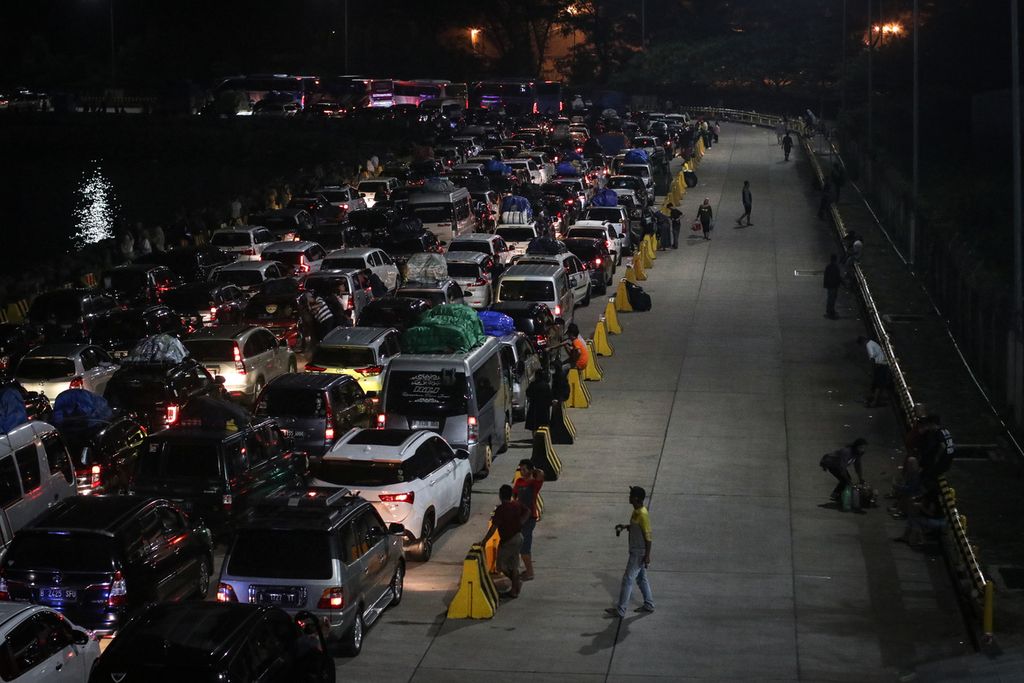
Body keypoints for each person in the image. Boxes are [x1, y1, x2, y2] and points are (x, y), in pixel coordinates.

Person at [605, 486, 654, 617]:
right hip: (636, 550)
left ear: (636, 498)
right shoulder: (636, 512)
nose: (629, 497)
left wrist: (647, 556)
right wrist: (625, 527)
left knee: (628, 579)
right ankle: (649, 604)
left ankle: (620, 610)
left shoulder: (643, 514)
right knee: (641, 579)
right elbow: (636, 527)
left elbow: (648, 537)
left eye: (631, 495)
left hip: (639, 552)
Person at [481, 485, 530, 599]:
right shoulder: (516, 504)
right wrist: (522, 522)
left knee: (501, 566)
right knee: (514, 566)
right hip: (519, 537)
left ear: (500, 495)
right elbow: (527, 511)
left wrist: (484, 541)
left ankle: (515, 583)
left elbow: (493, 528)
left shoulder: (501, 509)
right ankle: (514, 589)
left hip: (508, 541)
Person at [513, 460, 544, 581]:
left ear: (530, 470)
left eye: (524, 469)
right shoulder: (519, 482)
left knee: (524, 548)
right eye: (520, 469)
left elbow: (541, 474)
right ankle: (527, 570)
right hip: (519, 518)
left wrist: (533, 470)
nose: (521, 471)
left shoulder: (534, 484)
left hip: (529, 519)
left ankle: (530, 573)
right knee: (522, 546)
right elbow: (514, 495)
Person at [819, 438, 868, 503]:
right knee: (845, 480)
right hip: (832, 464)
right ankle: (837, 495)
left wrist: (860, 478)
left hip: (838, 465)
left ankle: (836, 494)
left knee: (846, 480)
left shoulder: (858, 453)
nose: (862, 450)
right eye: (861, 447)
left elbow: (858, 466)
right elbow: (842, 467)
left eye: (863, 448)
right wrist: (847, 480)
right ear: (856, 447)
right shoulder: (847, 452)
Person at [856, 336, 889, 407]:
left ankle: (874, 401)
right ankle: (877, 399)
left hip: (880, 365)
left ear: (862, 342)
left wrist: (872, 370)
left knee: (878, 384)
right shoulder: (872, 343)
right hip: (884, 363)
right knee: (880, 383)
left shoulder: (868, 345)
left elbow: (872, 357)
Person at [524, 368, 553, 434]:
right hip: (544, 410)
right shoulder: (546, 385)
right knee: (544, 424)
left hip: (534, 408)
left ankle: (535, 437)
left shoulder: (533, 385)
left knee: (534, 426)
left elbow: (528, 393)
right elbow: (550, 397)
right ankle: (544, 436)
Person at [823, 254, 841, 319]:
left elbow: (826, 276)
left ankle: (829, 310)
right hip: (834, 285)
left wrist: (825, 284)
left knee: (830, 298)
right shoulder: (836, 268)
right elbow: (838, 277)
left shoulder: (828, 267)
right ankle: (831, 310)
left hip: (830, 285)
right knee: (832, 298)